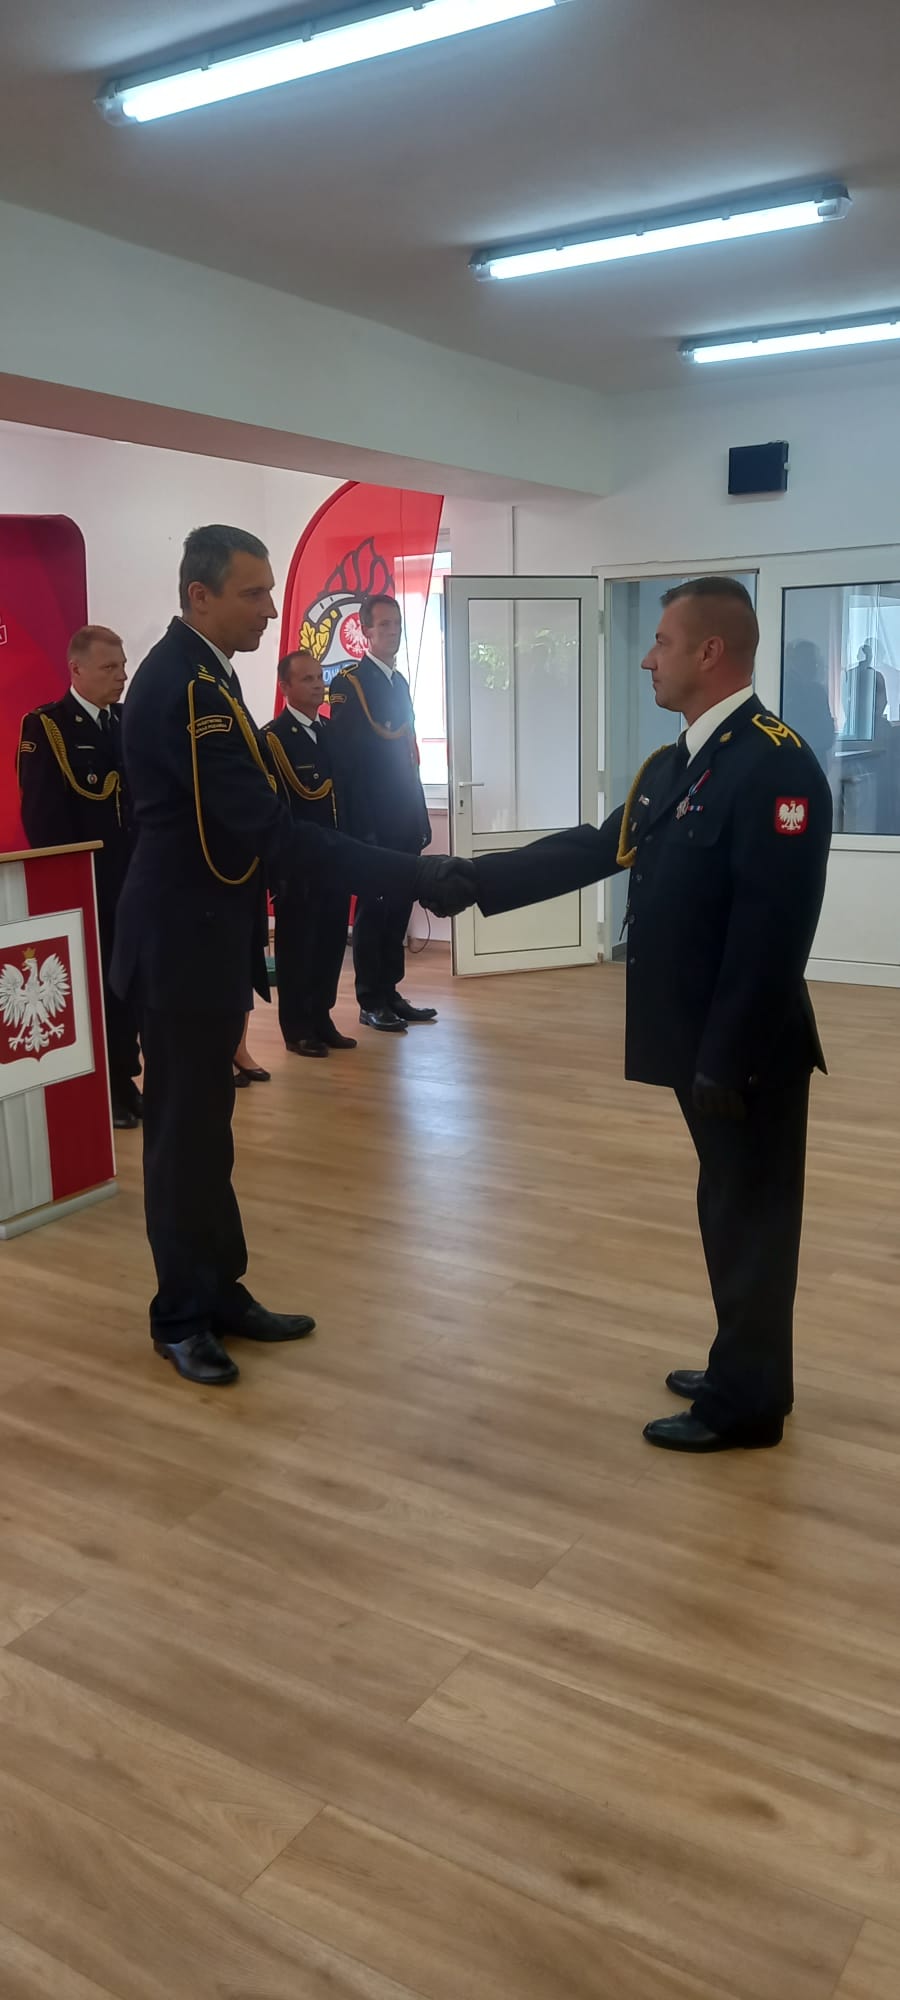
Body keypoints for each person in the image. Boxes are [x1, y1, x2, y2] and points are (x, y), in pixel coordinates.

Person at [469, 577, 833, 1454]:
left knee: (753, 1217)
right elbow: (599, 848)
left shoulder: (774, 764)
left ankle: (747, 1407)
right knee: (728, 1206)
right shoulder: (682, 763)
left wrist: (727, 1056)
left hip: (745, 1050)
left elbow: (774, 932)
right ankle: (742, 1366)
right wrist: (469, 881)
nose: (646, 659)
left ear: (710, 651)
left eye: (661, 642)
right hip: (700, 1040)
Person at [111, 525, 471, 1389]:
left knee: (210, 1134)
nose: (272, 609)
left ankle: (220, 1289)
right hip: (179, 943)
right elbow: (270, 829)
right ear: (199, 595)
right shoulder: (184, 686)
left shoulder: (207, 672)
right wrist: (413, 872)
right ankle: (180, 1316)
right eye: (253, 592)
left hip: (205, 932)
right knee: (181, 1138)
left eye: (270, 589)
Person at [17, 624, 142, 1130]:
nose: (121, 676)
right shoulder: (48, 727)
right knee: (95, 992)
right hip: (87, 887)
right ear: (76, 669)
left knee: (130, 989)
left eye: (123, 666)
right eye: (109, 667)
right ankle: (103, 1088)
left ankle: (126, 1078)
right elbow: (43, 820)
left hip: (133, 883)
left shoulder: (126, 722)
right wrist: (66, 889)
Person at [328, 594, 437, 1033]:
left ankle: (391, 991)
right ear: (365, 631)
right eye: (384, 625)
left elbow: (408, 760)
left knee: (398, 907)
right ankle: (370, 999)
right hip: (373, 821)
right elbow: (348, 766)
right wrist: (361, 828)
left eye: (397, 625)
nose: (393, 632)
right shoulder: (349, 684)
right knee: (374, 911)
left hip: (403, 817)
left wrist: (419, 818)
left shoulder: (399, 683)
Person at [265, 648, 355, 1058]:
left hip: (335, 857)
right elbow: (275, 808)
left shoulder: (332, 731)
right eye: (307, 679)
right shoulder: (274, 739)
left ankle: (322, 1017)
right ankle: (297, 1027)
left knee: (331, 942)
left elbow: (345, 795)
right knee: (298, 947)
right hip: (299, 863)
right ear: (285, 687)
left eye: (320, 677)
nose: (319, 685)